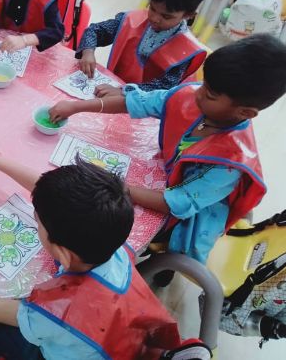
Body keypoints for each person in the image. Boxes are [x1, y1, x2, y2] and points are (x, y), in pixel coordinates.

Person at [50, 34, 286, 265]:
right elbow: (139, 101)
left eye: (209, 94)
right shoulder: (193, 96)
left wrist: (120, 186)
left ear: (245, 112)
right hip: (160, 180)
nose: (197, 94)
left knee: (102, 226)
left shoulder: (230, 164)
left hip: (183, 221)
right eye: (203, 84)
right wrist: (76, 106)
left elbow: (176, 203)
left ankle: (158, 267)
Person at [0, 149, 182, 359]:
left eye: (38, 221)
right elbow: (51, 196)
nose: (37, 220)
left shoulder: (58, 311)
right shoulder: (113, 244)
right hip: (122, 342)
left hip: (67, 344)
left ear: (62, 253)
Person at [77, 0, 209, 95]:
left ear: (188, 15)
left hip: (144, 104)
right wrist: (88, 51)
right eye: (152, 8)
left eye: (166, 16)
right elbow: (95, 31)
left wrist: (123, 92)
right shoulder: (132, 20)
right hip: (111, 90)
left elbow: (163, 88)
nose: (154, 18)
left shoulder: (185, 51)